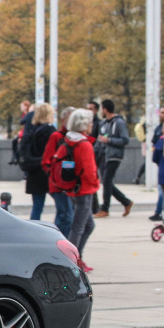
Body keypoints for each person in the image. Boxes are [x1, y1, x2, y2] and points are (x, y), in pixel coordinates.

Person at [55, 108, 99, 270]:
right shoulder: (84, 144)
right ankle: (71, 261)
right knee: (79, 227)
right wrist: (95, 183)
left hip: (74, 188)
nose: (91, 126)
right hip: (85, 190)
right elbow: (89, 170)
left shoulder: (69, 140)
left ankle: (77, 257)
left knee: (86, 225)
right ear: (84, 125)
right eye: (90, 123)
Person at [94, 99, 133, 217]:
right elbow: (99, 140)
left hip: (114, 156)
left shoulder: (119, 122)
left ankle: (105, 209)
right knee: (107, 182)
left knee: (106, 181)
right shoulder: (103, 123)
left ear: (105, 109)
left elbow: (125, 139)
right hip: (103, 155)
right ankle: (126, 202)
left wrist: (109, 140)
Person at [42, 106, 76, 238]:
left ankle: (60, 241)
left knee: (65, 215)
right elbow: (46, 161)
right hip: (59, 184)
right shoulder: (57, 136)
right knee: (66, 215)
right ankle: (59, 242)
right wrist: (56, 177)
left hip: (69, 184)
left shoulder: (74, 138)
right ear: (64, 119)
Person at [21, 103, 55, 220]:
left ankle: (32, 229)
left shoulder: (32, 130)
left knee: (37, 207)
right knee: (65, 205)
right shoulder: (49, 130)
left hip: (33, 171)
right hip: (45, 172)